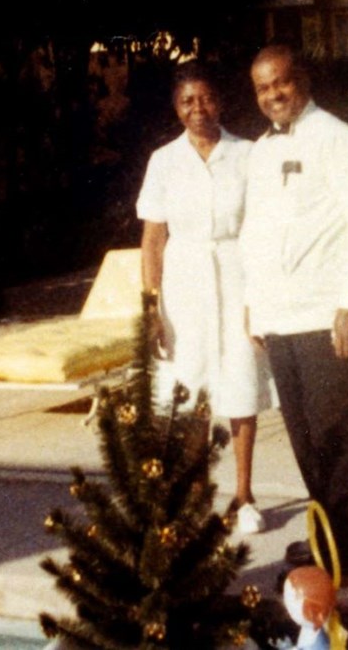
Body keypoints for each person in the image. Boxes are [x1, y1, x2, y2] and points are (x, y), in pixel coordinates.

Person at [240, 44, 348, 585]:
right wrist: (255, 309)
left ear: (301, 79)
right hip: (280, 317)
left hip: (330, 316)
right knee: (304, 439)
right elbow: (255, 236)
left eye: (281, 82)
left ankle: (346, 554)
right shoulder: (259, 152)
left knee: (339, 440)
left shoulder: (343, 141)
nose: (273, 95)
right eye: (261, 88)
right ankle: (330, 536)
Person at [136, 59, 272, 535]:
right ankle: (195, 495)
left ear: (222, 100)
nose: (199, 109)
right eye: (187, 101)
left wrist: (259, 301)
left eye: (207, 98)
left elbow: (263, 231)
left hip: (238, 275)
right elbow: (153, 241)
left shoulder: (249, 154)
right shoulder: (163, 161)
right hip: (184, 283)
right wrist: (151, 307)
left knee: (241, 383)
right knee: (188, 386)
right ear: (176, 109)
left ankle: (244, 495)